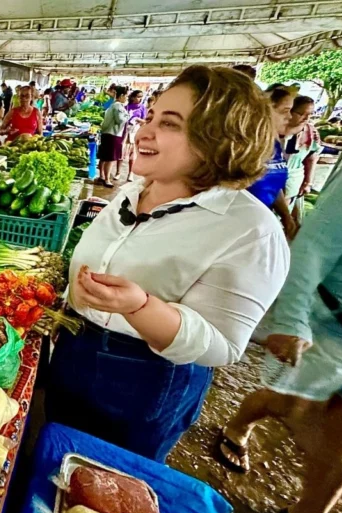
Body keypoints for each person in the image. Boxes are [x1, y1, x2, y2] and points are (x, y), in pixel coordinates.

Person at [46, 65, 289, 462]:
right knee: (55, 457)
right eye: (151, 117)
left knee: (112, 479)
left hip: (145, 380)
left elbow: (223, 344)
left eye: (170, 124)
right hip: (74, 350)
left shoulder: (250, 229)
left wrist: (140, 307)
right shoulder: (133, 191)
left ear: (218, 139)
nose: (144, 131)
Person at [216, 153, 342, 513]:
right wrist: (292, 318)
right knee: (291, 402)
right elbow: (314, 245)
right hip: (338, 319)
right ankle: (239, 424)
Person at [247, 85, 299, 240]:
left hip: (261, 223)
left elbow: (274, 186)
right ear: (266, 110)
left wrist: (286, 216)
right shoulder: (244, 145)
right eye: (284, 111)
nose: (289, 117)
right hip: (241, 223)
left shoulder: (274, 144)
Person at [284, 95, 321, 225]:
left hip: (292, 179)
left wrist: (307, 182)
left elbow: (311, 158)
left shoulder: (310, 133)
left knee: (281, 215)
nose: (306, 118)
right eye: (301, 114)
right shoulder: (276, 127)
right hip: (269, 178)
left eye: (310, 114)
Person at [96, 86, 130, 187]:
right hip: (113, 135)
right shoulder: (118, 106)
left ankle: (102, 176)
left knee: (104, 157)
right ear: (122, 95)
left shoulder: (113, 105)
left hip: (107, 133)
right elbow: (120, 120)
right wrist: (128, 116)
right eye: (126, 96)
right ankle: (107, 179)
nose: (126, 98)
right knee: (110, 158)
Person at [122, 89, 147, 183]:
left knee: (133, 154)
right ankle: (117, 172)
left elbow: (145, 121)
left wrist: (138, 120)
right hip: (125, 132)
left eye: (141, 97)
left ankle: (130, 173)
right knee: (122, 153)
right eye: (138, 97)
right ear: (132, 97)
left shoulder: (142, 108)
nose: (140, 99)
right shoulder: (126, 107)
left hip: (135, 132)